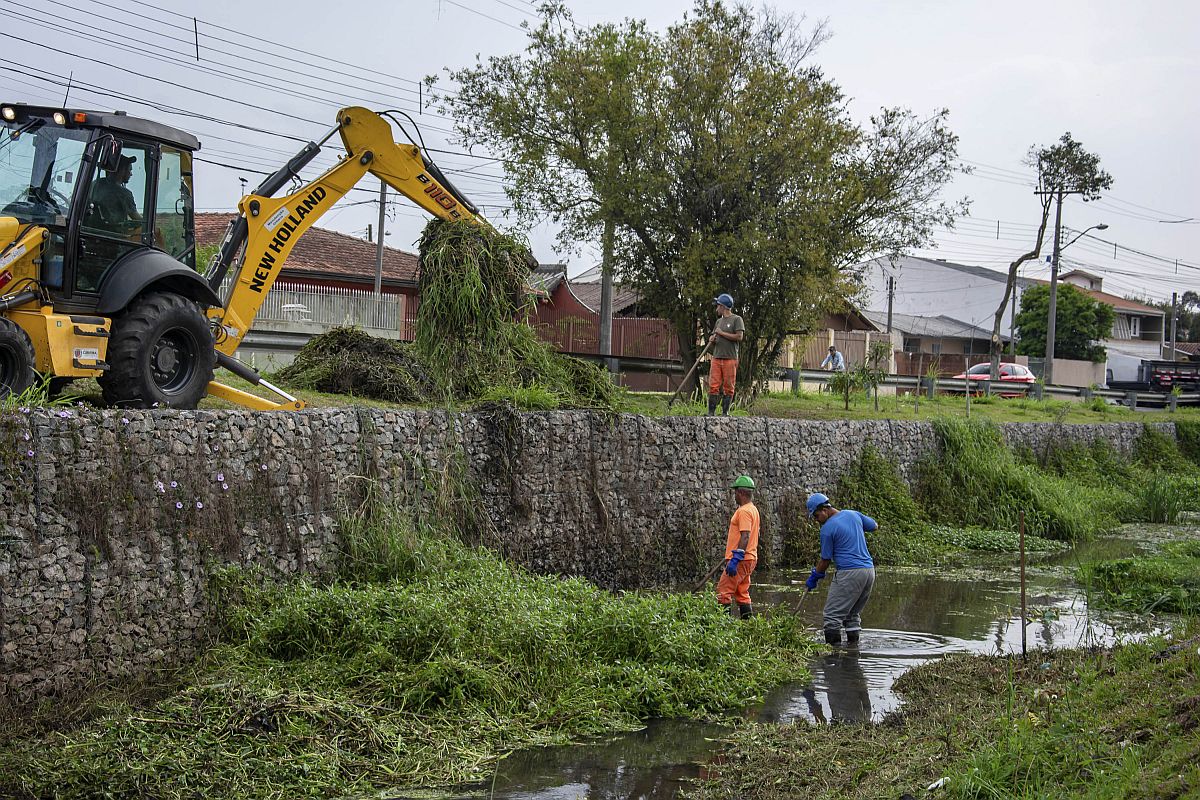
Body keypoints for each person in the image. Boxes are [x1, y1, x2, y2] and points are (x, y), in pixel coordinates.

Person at [804, 492, 877, 645]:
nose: (817, 521)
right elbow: (873, 526)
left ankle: (832, 660)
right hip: (869, 571)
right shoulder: (853, 514)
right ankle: (852, 653)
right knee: (852, 614)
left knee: (831, 616)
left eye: (817, 516)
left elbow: (825, 560)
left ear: (824, 510)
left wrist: (814, 577)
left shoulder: (827, 529)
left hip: (849, 573)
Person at [717, 474, 760, 618]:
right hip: (750, 558)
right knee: (742, 592)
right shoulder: (753, 509)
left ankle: (722, 628)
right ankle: (748, 626)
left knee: (723, 591)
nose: (734, 495)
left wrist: (736, 558)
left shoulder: (744, 511)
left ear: (741, 493)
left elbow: (745, 535)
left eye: (735, 492)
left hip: (741, 559)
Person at [707, 293, 744, 416]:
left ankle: (725, 413)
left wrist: (722, 333)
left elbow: (739, 337)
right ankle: (711, 413)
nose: (716, 309)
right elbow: (715, 336)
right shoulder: (718, 322)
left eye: (718, 306)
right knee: (713, 385)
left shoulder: (736, 319)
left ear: (723, 306)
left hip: (730, 358)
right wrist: (712, 339)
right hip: (717, 357)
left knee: (729, 386)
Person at [90, 154, 142, 233]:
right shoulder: (124, 194)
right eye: (129, 170)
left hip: (93, 234)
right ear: (121, 170)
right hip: (115, 239)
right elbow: (138, 220)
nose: (131, 174)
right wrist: (150, 224)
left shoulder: (96, 184)